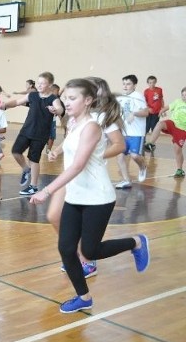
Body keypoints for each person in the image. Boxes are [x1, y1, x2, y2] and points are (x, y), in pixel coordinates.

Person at [29, 78, 150, 314]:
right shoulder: (74, 122)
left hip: (98, 198)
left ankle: (136, 242)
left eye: (72, 98)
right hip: (76, 196)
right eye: (65, 97)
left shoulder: (93, 126)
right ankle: (84, 297)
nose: (66, 102)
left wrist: (47, 190)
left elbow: (77, 166)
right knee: (66, 249)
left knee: (91, 251)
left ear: (88, 100)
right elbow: (71, 152)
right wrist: (57, 150)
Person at [47, 77, 126, 279]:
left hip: (88, 178)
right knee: (54, 215)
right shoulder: (75, 118)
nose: (69, 100)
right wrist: (57, 150)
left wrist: (93, 155)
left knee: (84, 233)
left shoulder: (102, 119)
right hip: (71, 174)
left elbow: (119, 145)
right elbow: (70, 140)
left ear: (94, 95)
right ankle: (74, 254)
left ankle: (86, 259)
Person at [0, 71, 64, 195]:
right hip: (26, 130)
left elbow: (60, 108)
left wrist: (56, 110)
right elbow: (17, 102)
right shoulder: (32, 96)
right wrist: (6, 105)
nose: (39, 85)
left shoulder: (53, 99)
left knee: (34, 159)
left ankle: (33, 186)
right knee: (16, 151)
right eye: (38, 83)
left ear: (50, 85)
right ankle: (26, 169)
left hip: (40, 134)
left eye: (43, 83)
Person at [115, 74, 149, 189]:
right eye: (124, 84)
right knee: (119, 156)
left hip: (136, 133)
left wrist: (134, 113)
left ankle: (143, 167)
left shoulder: (138, 96)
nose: (125, 86)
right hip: (123, 132)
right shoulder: (120, 97)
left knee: (134, 156)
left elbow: (146, 113)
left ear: (134, 85)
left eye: (128, 84)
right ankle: (126, 180)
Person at [144, 86, 186, 178]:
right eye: (183, 95)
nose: (184, 97)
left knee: (177, 150)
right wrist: (161, 111)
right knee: (160, 124)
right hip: (173, 123)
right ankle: (151, 144)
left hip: (182, 129)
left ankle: (180, 170)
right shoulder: (177, 101)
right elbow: (167, 107)